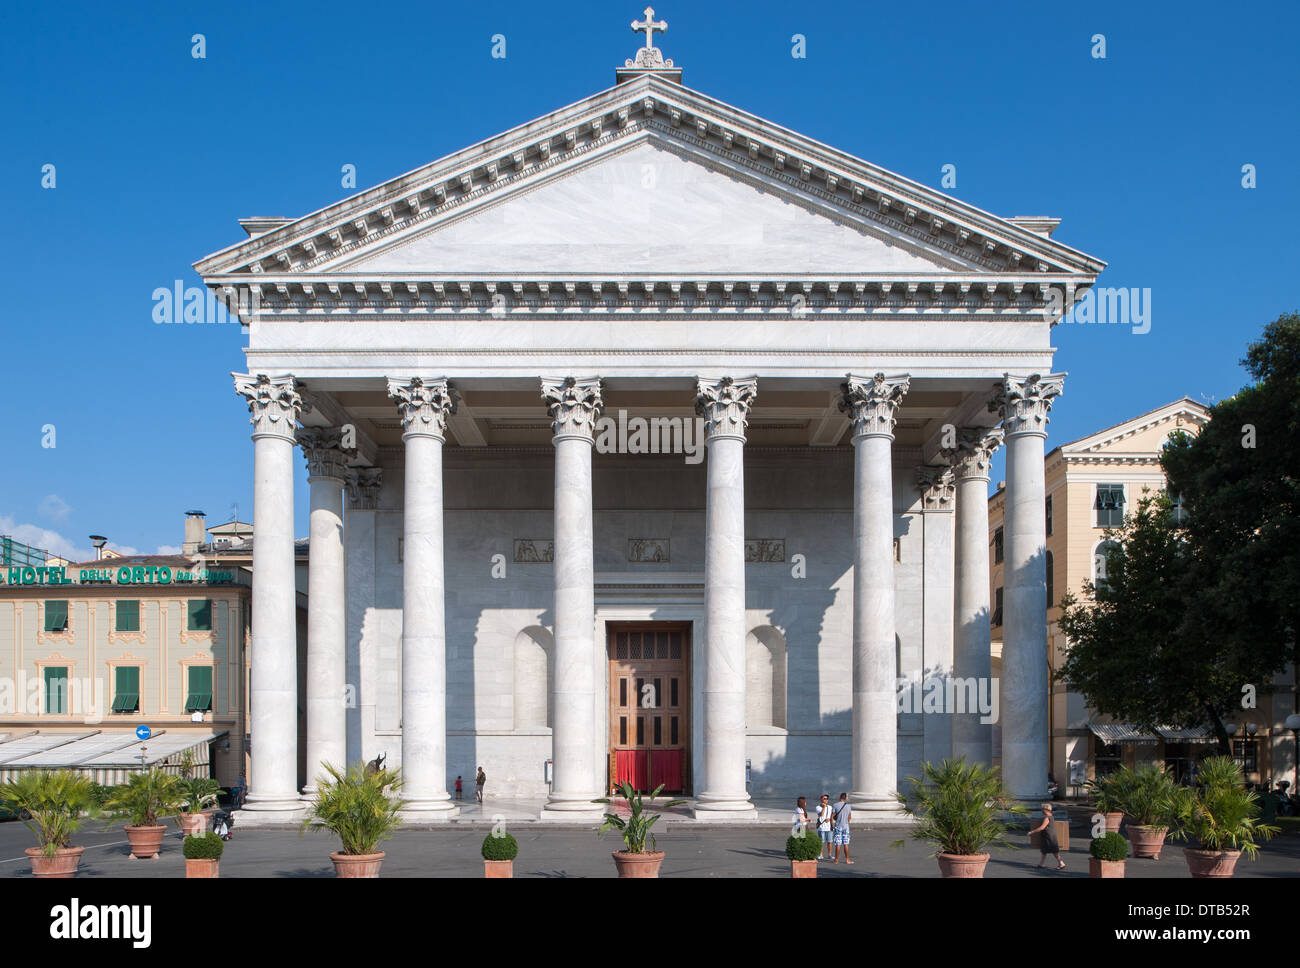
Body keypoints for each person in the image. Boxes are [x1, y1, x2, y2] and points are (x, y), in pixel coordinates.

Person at [1029, 802, 1064, 870]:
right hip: (1049, 836)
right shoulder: (1051, 816)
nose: (1041, 810)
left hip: (1049, 837)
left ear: (1046, 809)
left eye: (1042, 809)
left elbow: (1042, 827)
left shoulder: (1047, 818)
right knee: (1044, 850)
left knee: (1054, 851)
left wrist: (1032, 832)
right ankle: (1042, 864)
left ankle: (1061, 863)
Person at [831, 792, 853, 864]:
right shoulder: (848, 806)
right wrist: (846, 823)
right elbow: (849, 817)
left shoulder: (835, 805)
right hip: (846, 827)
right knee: (846, 844)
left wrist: (831, 825)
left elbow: (832, 817)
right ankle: (847, 859)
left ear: (840, 797)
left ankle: (836, 859)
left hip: (838, 826)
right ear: (845, 798)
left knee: (838, 843)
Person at [815, 793, 834, 860]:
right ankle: (820, 855)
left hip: (829, 827)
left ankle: (829, 854)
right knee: (821, 842)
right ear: (821, 799)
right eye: (824, 798)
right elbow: (821, 815)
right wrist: (824, 807)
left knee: (830, 842)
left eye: (827, 799)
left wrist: (830, 821)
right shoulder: (818, 807)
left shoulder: (830, 807)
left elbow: (832, 816)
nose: (826, 800)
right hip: (822, 828)